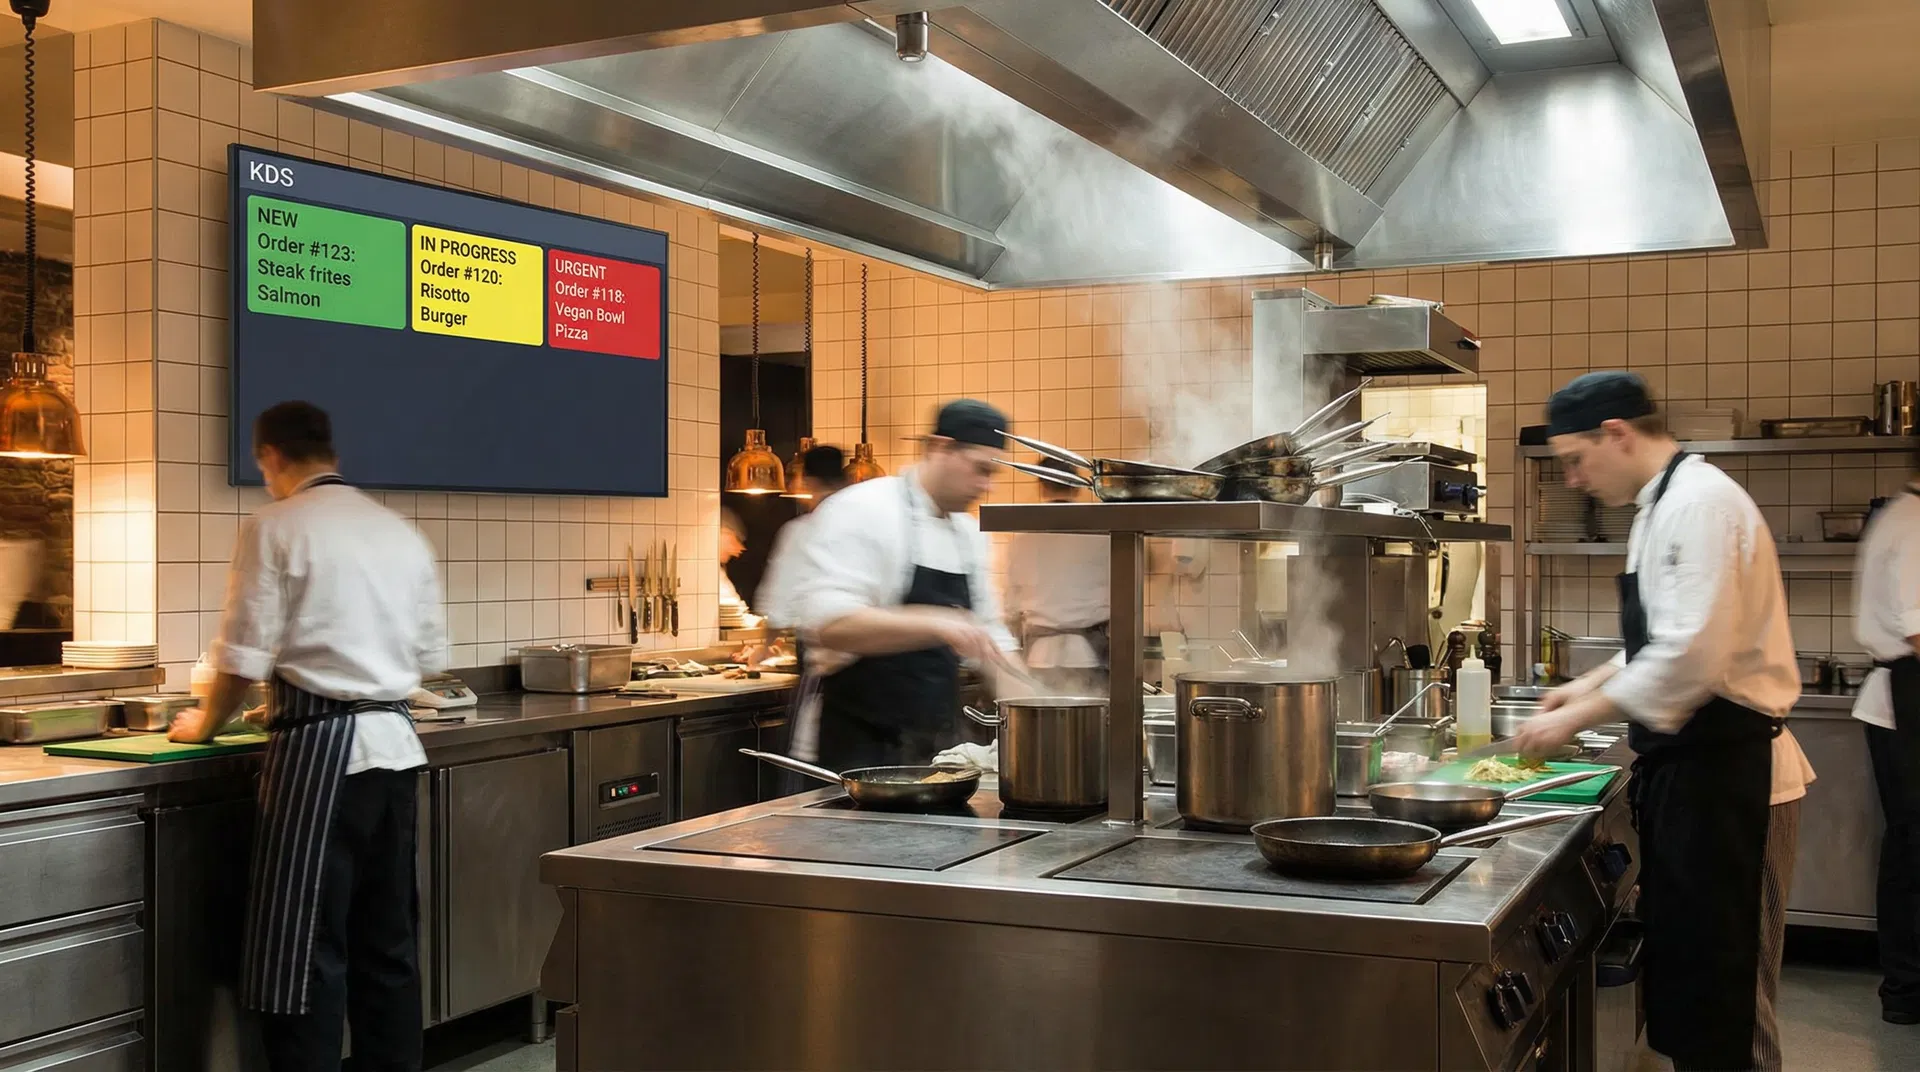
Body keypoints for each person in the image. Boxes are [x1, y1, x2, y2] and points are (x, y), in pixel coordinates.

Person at [1511, 372, 1812, 1072]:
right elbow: (1660, 640)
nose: (1574, 480)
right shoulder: (1661, 506)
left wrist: (1575, 718)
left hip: (1738, 783)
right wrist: (1583, 684)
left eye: (1575, 460)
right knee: (1697, 992)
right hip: (1696, 780)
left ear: (1615, 433)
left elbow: (1691, 657)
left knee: (1733, 999)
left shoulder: (1700, 504)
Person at [170, 401, 446, 1072]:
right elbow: (428, 658)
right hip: (395, 752)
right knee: (388, 947)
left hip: (322, 762)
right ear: (331, 452)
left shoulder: (275, 525)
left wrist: (204, 724)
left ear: (270, 456)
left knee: (304, 953)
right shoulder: (397, 531)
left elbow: (241, 655)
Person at [794, 400, 1021, 770]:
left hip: (936, 749)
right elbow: (828, 625)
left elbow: (992, 639)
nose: (988, 486)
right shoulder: (865, 508)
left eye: (993, 473)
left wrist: (1044, 706)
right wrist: (938, 623)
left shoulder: (969, 534)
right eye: (981, 469)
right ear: (940, 448)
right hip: (860, 750)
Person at [1854, 444, 1920, 1024]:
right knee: (1912, 848)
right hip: (1906, 695)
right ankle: (1906, 989)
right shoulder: (1913, 521)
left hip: (1905, 693)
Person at [1003, 456, 1110, 694]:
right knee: (1093, 715)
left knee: (1044, 716)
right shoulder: (1103, 536)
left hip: (1040, 656)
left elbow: (1010, 608)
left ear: (1041, 486)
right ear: (1077, 487)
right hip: (1089, 656)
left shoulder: (1021, 540)